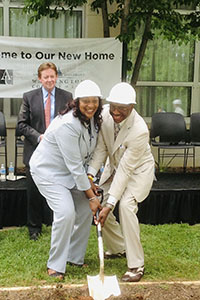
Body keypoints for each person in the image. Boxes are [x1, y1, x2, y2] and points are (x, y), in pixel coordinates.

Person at [29, 79, 103, 279]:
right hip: (48, 172)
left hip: (70, 173)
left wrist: (91, 184)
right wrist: (91, 196)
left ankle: (74, 257)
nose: (90, 105)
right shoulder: (68, 124)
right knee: (66, 212)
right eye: (85, 101)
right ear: (76, 102)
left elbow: (86, 157)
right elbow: (75, 166)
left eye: (94, 101)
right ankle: (55, 265)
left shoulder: (94, 121)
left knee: (86, 210)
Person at [87, 82, 155, 282]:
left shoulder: (140, 129)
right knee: (99, 203)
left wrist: (111, 204)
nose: (116, 112)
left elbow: (126, 170)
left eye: (122, 109)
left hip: (138, 172)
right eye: (114, 106)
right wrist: (90, 175)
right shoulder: (106, 114)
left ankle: (136, 265)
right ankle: (117, 247)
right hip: (115, 167)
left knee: (125, 206)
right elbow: (102, 148)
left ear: (132, 107)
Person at [18, 62, 73, 241]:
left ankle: (54, 224)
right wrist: (39, 137)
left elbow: (71, 123)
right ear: (40, 79)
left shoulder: (67, 97)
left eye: (52, 76)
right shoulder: (29, 97)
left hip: (58, 154)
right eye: (46, 77)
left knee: (57, 190)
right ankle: (34, 228)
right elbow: (21, 124)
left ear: (56, 77)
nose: (49, 80)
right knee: (33, 192)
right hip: (34, 151)